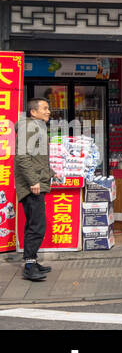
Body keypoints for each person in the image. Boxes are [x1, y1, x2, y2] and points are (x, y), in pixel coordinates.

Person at [16, 98, 53, 282]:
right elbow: (22, 158)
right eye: (45, 108)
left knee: (35, 223)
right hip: (31, 185)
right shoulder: (29, 128)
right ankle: (29, 266)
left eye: (48, 108)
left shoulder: (36, 127)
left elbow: (37, 158)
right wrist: (33, 181)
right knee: (37, 225)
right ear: (33, 112)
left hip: (36, 182)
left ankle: (33, 261)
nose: (48, 111)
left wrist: (52, 172)